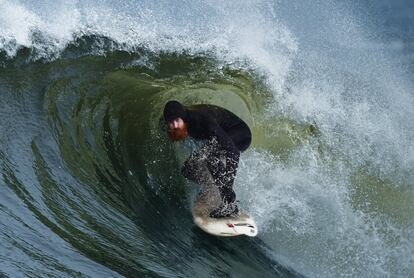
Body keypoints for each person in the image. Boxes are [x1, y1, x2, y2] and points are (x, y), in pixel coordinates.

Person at [163, 100, 252, 218]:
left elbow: (233, 151)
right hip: (222, 134)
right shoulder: (178, 123)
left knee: (211, 160)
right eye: (171, 122)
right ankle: (212, 192)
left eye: (177, 121)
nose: (174, 126)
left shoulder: (202, 121)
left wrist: (228, 187)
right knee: (188, 169)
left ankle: (230, 204)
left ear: (183, 117)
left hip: (240, 134)